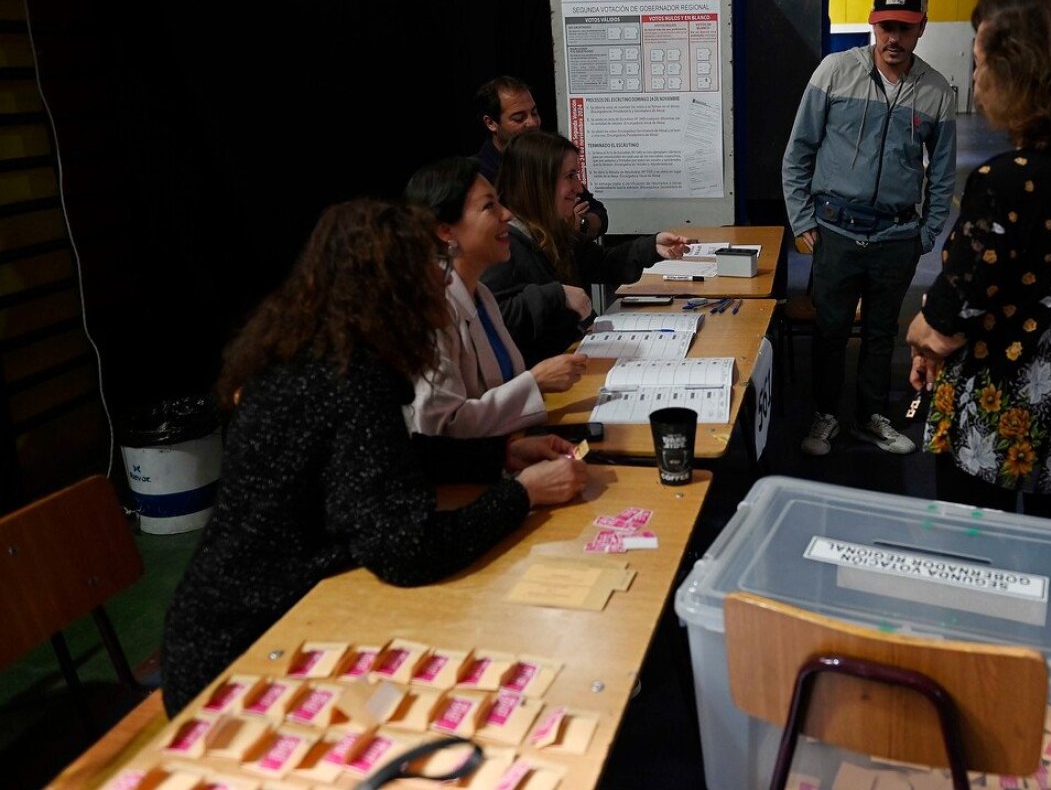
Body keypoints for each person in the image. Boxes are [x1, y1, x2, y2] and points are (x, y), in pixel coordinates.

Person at [161, 200, 589, 716]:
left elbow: (386, 458)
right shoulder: (350, 380)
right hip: (247, 654)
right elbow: (406, 550)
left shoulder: (313, 353)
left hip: (240, 619)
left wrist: (501, 452)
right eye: (430, 269)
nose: (442, 280)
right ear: (394, 289)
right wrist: (522, 494)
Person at [904, 0, 1051, 522]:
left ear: (1024, 73)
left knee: (973, 535)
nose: (976, 76)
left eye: (981, 62)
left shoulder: (1007, 181)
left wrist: (923, 326)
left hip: (999, 407)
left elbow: (945, 321)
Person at [782, 0, 956, 456]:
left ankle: (871, 417)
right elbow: (798, 151)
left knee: (881, 333)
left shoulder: (936, 91)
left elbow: (942, 174)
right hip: (836, 232)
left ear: (921, 28)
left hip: (896, 238)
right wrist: (802, 218)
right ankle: (826, 414)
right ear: (873, 24)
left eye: (904, 28)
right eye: (885, 26)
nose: (893, 38)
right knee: (831, 329)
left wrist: (926, 232)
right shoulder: (834, 72)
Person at [404, 156, 588, 438]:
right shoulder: (432, 306)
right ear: (445, 230)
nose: (507, 215)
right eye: (489, 206)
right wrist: (535, 382)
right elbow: (439, 429)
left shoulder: (482, 294)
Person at [484, 130, 691, 366]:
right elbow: (496, 318)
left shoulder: (551, 230)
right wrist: (558, 296)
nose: (579, 187)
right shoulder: (502, 244)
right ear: (538, 183)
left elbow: (600, 262)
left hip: (576, 354)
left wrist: (651, 247)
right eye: (570, 176)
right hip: (547, 373)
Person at [472, 76, 608, 241]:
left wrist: (582, 223)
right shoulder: (475, 178)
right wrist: (558, 224)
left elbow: (599, 214)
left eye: (534, 113)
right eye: (519, 118)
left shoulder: (547, 160)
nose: (532, 122)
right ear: (491, 123)